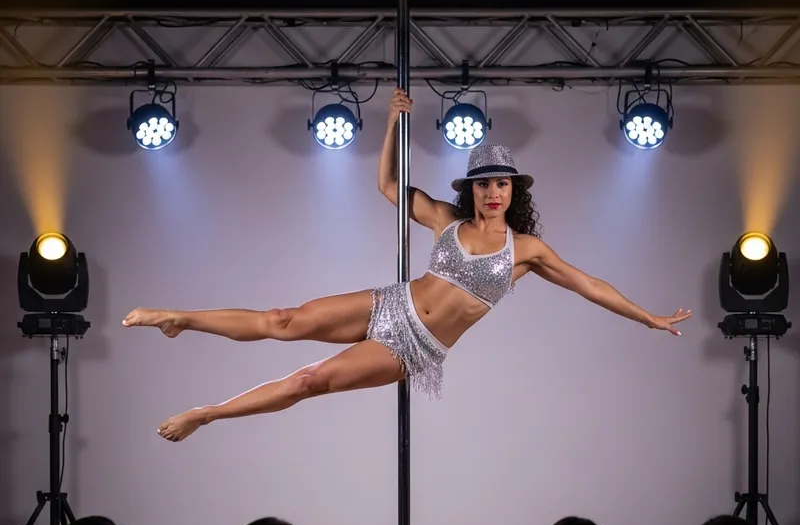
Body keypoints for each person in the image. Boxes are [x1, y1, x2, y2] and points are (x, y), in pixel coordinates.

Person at [123, 88, 692, 441]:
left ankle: (206, 414)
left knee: (307, 381)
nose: (493, 193)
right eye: (484, 184)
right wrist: (394, 122)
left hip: (413, 347)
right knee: (283, 319)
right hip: (388, 303)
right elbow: (389, 185)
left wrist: (648, 317)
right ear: (471, 189)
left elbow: (591, 285)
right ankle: (180, 317)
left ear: (513, 190)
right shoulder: (446, 217)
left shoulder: (526, 251)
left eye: (502, 184)